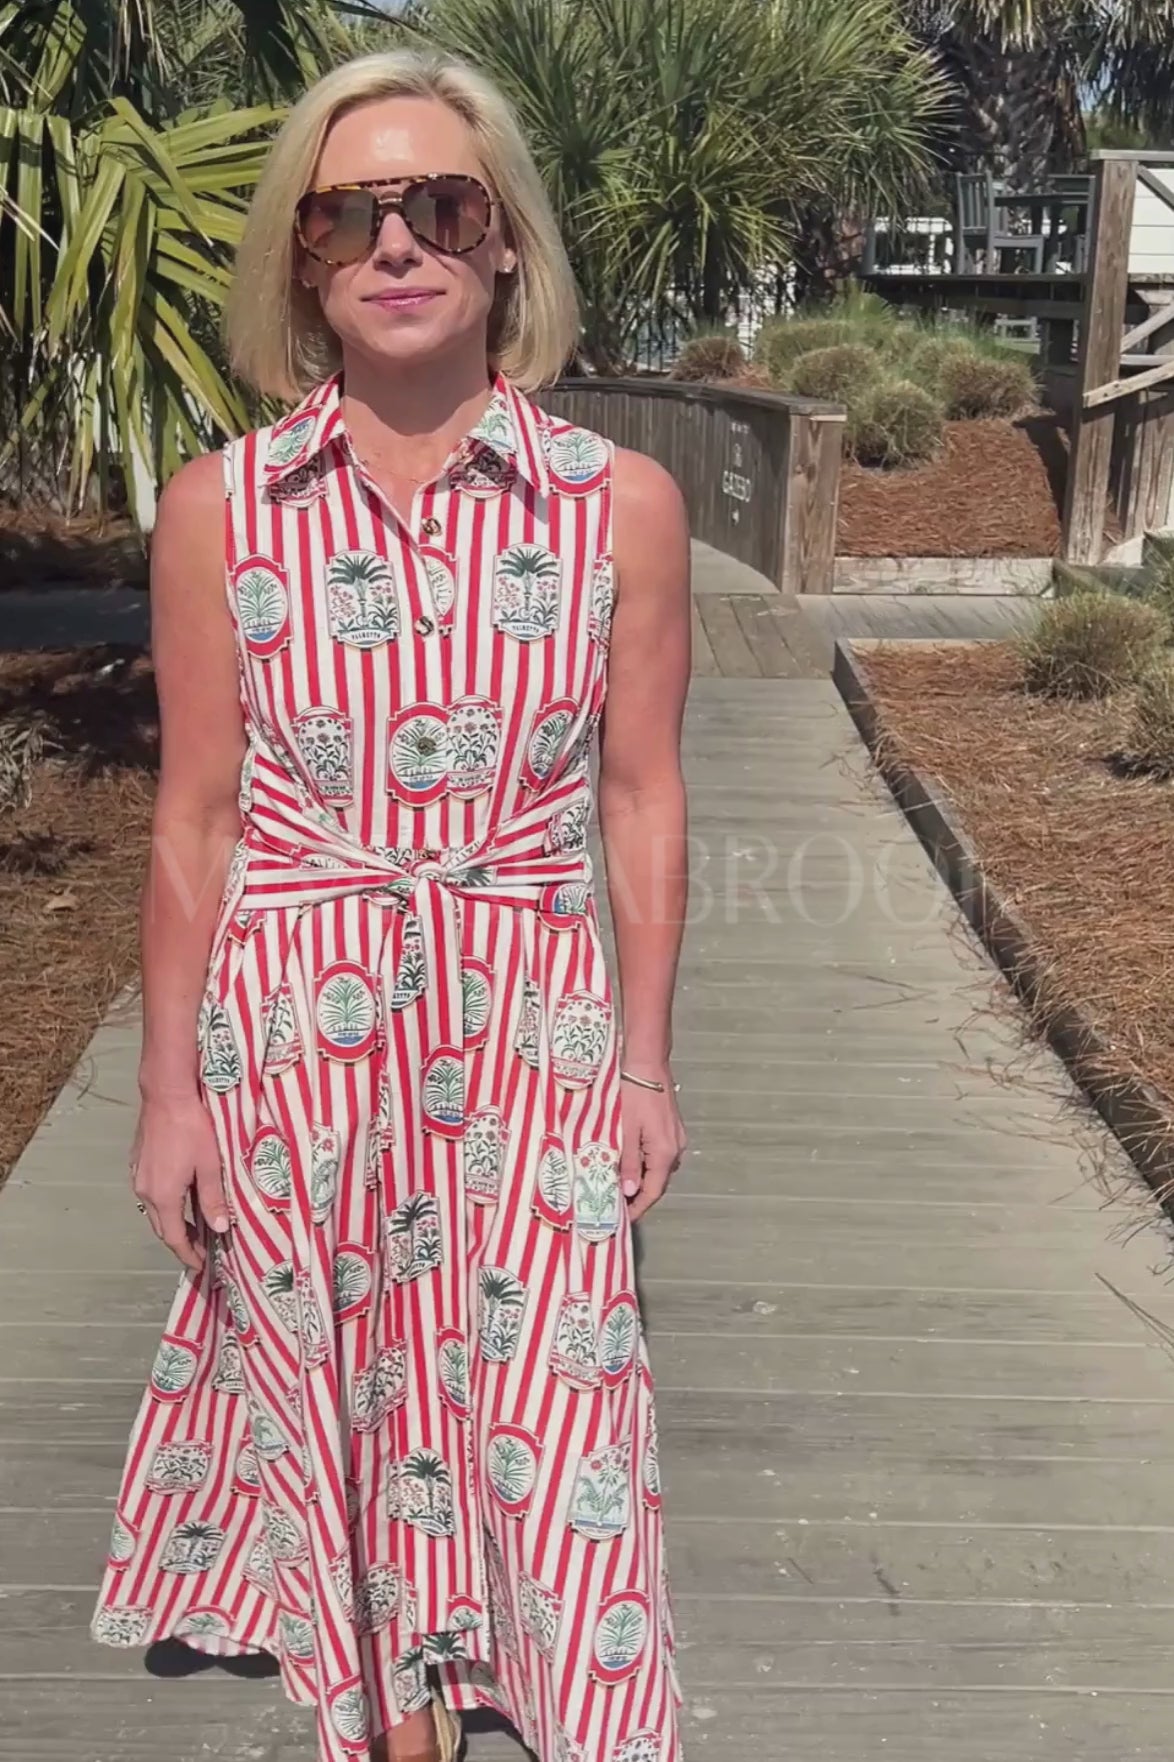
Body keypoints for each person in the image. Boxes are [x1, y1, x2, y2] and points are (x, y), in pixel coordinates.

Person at [91, 46, 691, 1762]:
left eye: (441, 205)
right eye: (346, 216)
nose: (398, 243)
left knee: (556, 1410)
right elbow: (197, 814)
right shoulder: (220, 510)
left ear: (506, 244)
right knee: (339, 1403)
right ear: (300, 260)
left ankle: (567, 1711)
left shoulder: (618, 507)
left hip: (526, 1030)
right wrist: (167, 1091)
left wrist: (644, 1065)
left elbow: (639, 796)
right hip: (297, 1030)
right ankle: (388, 1721)